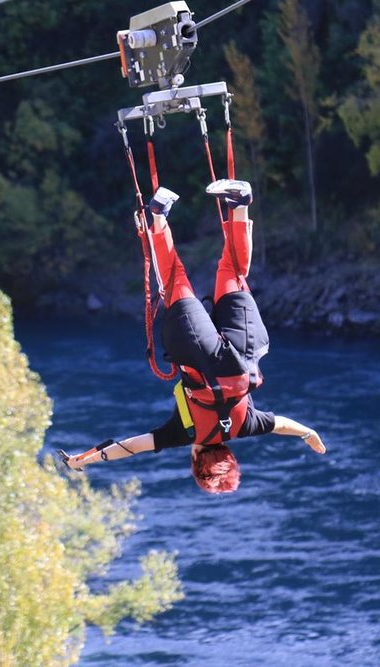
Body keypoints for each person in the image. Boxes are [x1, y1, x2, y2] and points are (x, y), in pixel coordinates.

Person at [59, 179, 324, 494]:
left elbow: (284, 426)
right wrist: (83, 460)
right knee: (173, 278)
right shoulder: (184, 433)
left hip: (244, 352)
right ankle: (158, 214)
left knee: (233, 272)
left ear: (229, 454)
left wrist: (311, 436)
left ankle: (239, 204)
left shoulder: (247, 426)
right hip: (198, 350)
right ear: (195, 460)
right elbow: (129, 447)